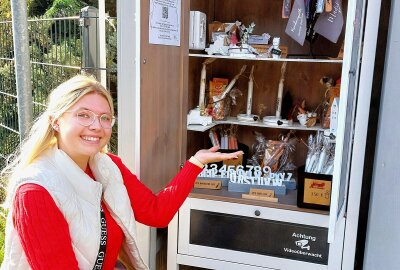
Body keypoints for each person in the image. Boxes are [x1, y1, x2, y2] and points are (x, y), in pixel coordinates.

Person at [0, 75, 243, 270]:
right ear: (56, 121)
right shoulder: (35, 192)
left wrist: (195, 163)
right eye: (83, 115)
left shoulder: (108, 165)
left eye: (105, 118)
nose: (96, 126)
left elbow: (156, 213)